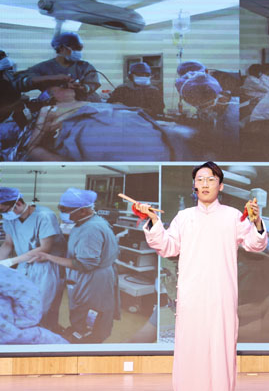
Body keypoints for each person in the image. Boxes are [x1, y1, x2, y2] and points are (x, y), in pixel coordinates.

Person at [137, 161, 267, 391]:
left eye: (211, 179)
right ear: (194, 186)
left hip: (222, 294)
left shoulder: (233, 216)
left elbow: (255, 244)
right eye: (200, 179)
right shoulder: (184, 217)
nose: (205, 184)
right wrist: (154, 221)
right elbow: (168, 247)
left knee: (221, 351)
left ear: (221, 185)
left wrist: (256, 221)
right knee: (189, 352)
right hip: (191, 294)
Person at [30, 188, 120, 343]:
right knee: (82, 311)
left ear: (83, 210)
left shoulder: (90, 229)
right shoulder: (87, 222)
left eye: (65, 210)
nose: (62, 213)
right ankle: (80, 331)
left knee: (89, 313)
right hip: (92, 277)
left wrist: (48, 256)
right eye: (60, 208)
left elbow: (84, 264)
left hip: (93, 281)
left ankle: (86, 340)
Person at [23, 84, 174, 161]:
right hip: (96, 132)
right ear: (50, 93)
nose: (68, 86)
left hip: (127, 122)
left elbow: (114, 108)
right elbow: (32, 147)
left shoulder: (92, 102)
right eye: (61, 85)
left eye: (69, 84)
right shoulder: (50, 109)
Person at [0, 187, 65, 331]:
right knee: (23, 304)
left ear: (17, 204)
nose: (3, 214)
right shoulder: (10, 219)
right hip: (23, 265)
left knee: (42, 308)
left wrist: (10, 262)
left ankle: (45, 334)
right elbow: (8, 244)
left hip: (46, 267)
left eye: (4, 210)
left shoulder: (44, 216)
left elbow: (45, 248)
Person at [21, 32, 100, 101]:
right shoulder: (43, 67)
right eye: (75, 48)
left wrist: (82, 87)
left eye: (79, 49)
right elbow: (23, 81)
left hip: (84, 104)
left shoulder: (85, 67)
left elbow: (92, 84)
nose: (78, 52)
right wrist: (53, 78)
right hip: (57, 107)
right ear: (61, 48)